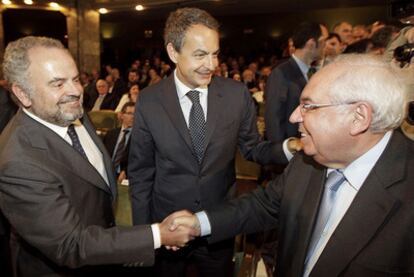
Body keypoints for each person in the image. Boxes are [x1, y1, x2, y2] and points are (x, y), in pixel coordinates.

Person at [173, 54, 414, 276]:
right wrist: (198, 223)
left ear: (358, 117)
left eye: (309, 106)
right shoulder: (309, 159)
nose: (294, 117)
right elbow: (263, 206)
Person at [0, 36, 195, 277]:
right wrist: (157, 235)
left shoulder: (67, 110)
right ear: (22, 93)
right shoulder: (17, 162)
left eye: (75, 79)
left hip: (102, 254)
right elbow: (72, 245)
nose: (76, 91)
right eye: (58, 83)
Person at [128, 7, 289, 277]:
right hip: (169, 225)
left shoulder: (236, 95)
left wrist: (289, 148)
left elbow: (252, 147)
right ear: (173, 53)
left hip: (218, 223)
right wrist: (147, 237)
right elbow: (141, 173)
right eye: (200, 55)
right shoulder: (149, 100)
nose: (212, 65)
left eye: (215, 54)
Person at [265, 22, 327, 144]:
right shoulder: (281, 73)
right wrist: (283, 154)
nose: (326, 46)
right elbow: (273, 120)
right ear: (311, 44)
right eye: (324, 41)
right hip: (292, 150)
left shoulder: (313, 72)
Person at [104, 101, 135, 182]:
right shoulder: (111, 134)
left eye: (135, 114)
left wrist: (126, 171)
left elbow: (140, 160)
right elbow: (103, 154)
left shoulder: (140, 137)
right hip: (107, 172)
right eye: (129, 113)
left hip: (125, 176)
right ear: (121, 115)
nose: (133, 117)